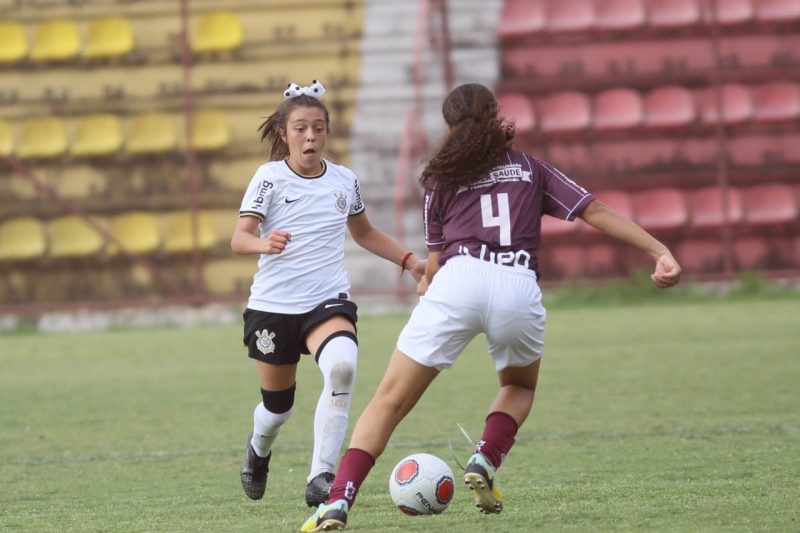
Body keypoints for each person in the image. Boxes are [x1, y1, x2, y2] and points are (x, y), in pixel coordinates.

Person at [301, 82, 682, 531]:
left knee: (389, 401)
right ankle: (484, 457)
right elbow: (593, 211)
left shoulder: (439, 177)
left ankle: (337, 503)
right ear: (497, 116)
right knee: (518, 388)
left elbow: (436, 263)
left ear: (449, 127)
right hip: (516, 283)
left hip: (458, 281)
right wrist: (660, 250)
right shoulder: (529, 168)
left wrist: (427, 285)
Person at [231, 80, 425, 508]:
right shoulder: (268, 178)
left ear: (327, 133)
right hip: (273, 307)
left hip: (326, 300)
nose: (310, 136)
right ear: (285, 133)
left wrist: (409, 260)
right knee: (277, 408)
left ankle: (321, 475)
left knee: (341, 368)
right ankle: (258, 450)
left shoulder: (344, 180)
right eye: (300, 128)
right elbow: (239, 238)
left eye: (318, 128)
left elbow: (365, 233)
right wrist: (264, 243)